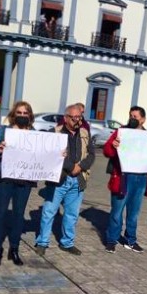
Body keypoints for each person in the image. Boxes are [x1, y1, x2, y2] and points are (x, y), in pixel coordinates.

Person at [34, 104, 95, 256]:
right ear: (65, 118)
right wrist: (70, 166)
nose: (76, 120)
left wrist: (80, 167)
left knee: (72, 214)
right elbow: (48, 152)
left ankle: (67, 243)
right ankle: (42, 242)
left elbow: (92, 154)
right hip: (58, 180)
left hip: (78, 180)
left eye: (78, 117)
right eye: (73, 117)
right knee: (49, 212)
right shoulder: (54, 133)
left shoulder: (84, 133)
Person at [103, 106, 147, 254]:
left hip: (141, 178)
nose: (132, 118)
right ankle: (112, 239)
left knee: (134, 212)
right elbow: (106, 151)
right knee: (117, 211)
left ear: (143, 119)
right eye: (130, 115)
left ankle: (131, 240)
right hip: (123, 177)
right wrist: (113, 145)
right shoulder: (121, 132)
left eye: (135, 116)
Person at [0, 100, 37, 267]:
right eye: (19, 113)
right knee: (0, 214)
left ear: (30, 116)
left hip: (24, 180)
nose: (22, 115)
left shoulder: (35, 134)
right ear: (13, 115)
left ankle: (14, 248)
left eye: (25, 113)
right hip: (5, 179)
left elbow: (43, 154)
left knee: (18, 215)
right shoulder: (3, 131)